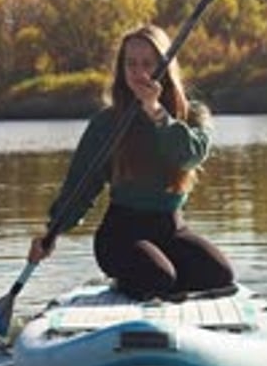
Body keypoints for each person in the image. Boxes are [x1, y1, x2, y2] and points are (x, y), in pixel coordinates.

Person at [28, 24, 234, 300]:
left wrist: (156, 112)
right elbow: (81, 184)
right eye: (131, 64)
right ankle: (133, 283)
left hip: (171, 229)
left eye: (148, 64)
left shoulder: (195, 114)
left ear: (166, 68)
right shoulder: (107, 123)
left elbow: (189, 155)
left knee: (218, 276)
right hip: (120, 236)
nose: (139, 73)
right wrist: (51, 232)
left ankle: (161, 283)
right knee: (159, 278)